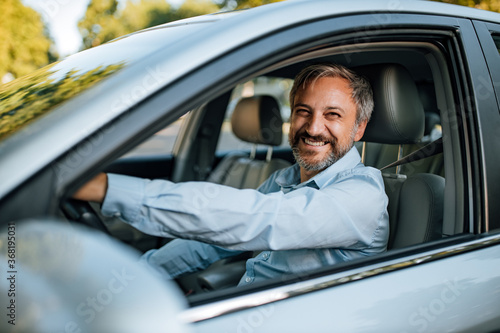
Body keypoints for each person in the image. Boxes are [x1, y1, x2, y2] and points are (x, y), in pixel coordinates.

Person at [74, 63, 389, 287]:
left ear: (359, 127)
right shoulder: (284, 179)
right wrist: (136, 277)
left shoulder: (363, 195)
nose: (313, 127)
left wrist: (106, 188)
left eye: (332, 115)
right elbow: (205, 245)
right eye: (303, 111)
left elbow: (255, 218)